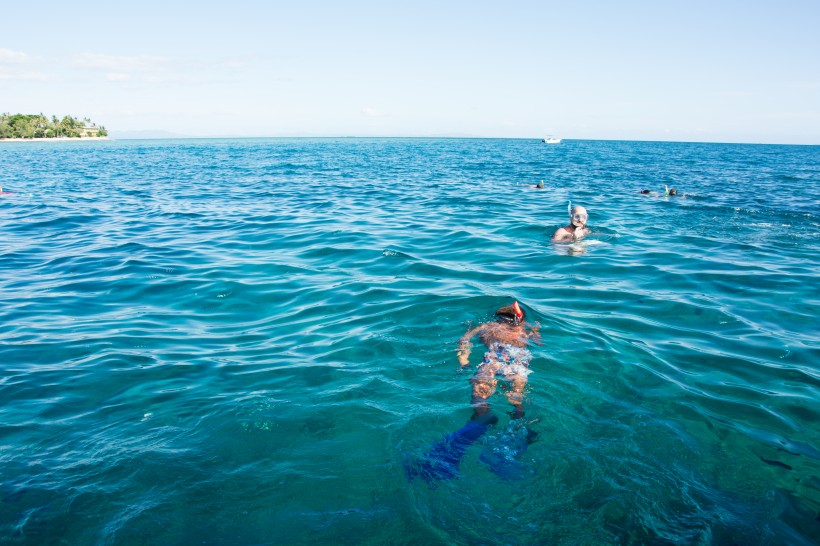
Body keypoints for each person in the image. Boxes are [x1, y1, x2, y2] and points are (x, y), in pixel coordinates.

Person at [457, 301, 541, 418]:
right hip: (517, 363)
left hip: (493, 361)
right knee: (516, 394)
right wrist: (536, 330)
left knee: (480, 393)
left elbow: (463, 341)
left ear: (499, 318)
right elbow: (539, 343)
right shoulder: (525, 332)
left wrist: (464, 361)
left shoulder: (488, 326)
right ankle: (519, 421)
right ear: (521, 320)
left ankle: (481, 418)